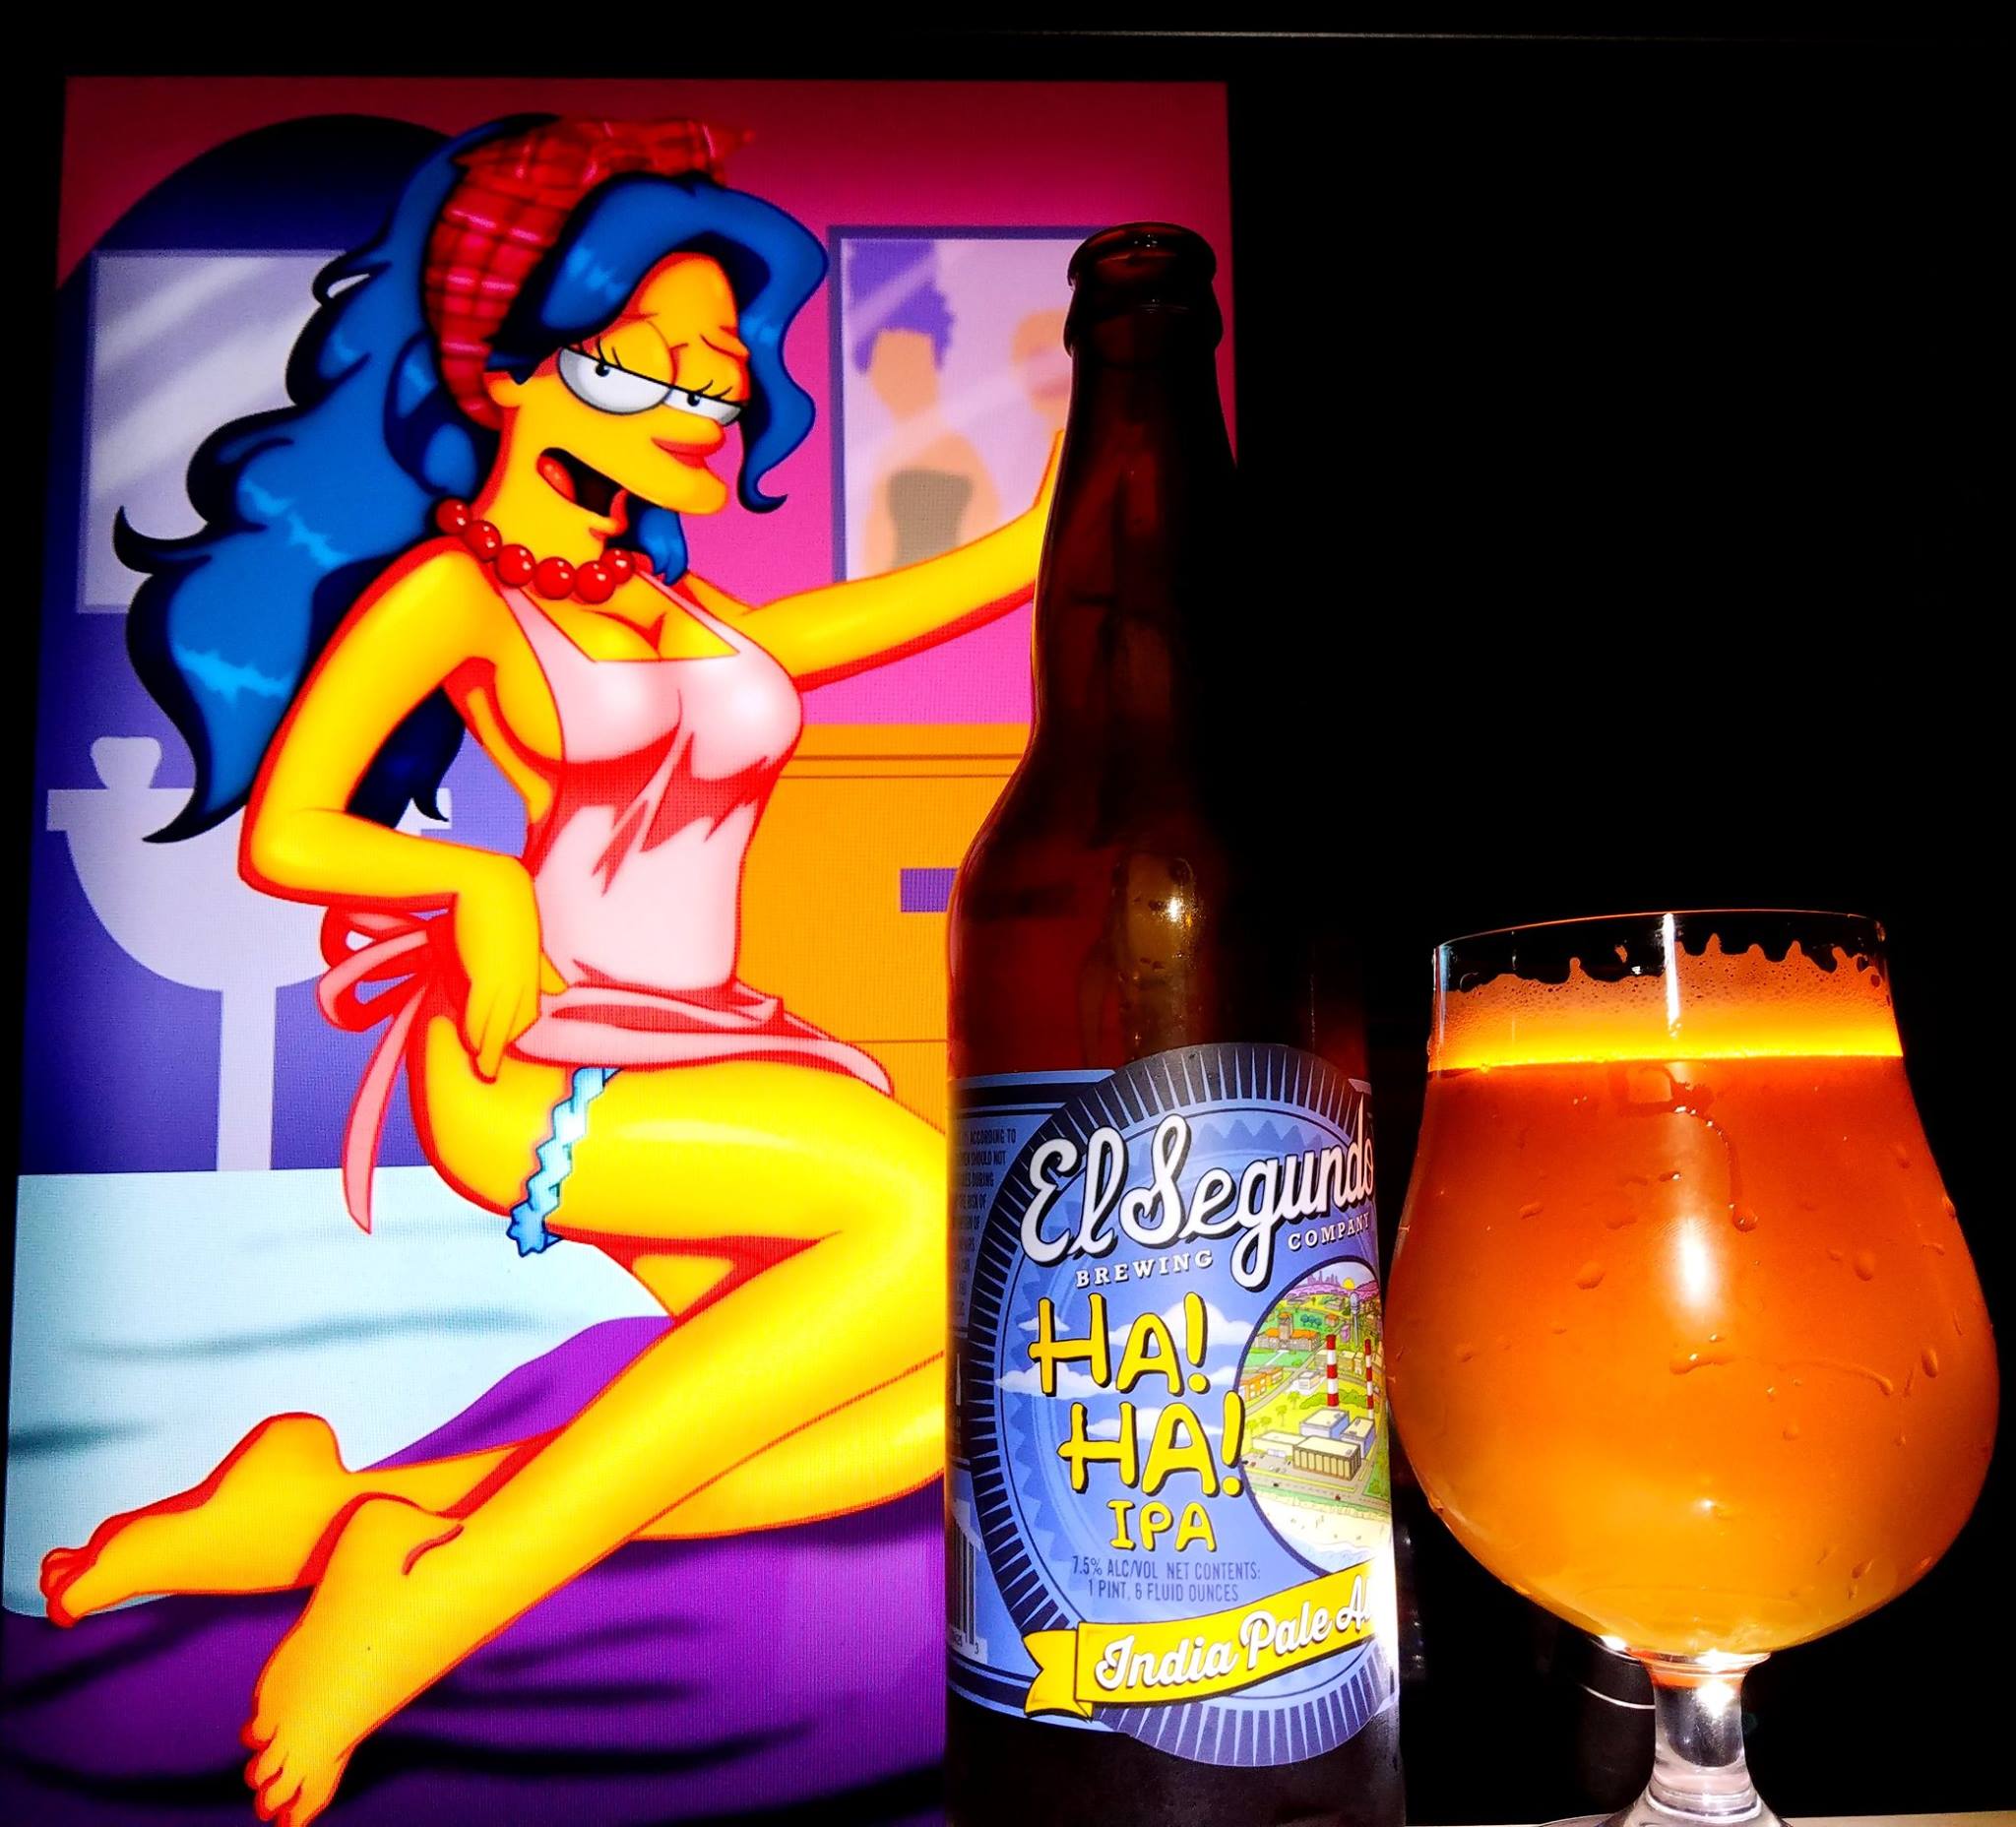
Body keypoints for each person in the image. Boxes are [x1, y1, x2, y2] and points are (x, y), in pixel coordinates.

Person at [37, 115, 1055, 1827]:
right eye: (645, 365)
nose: (701, 407)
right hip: (543, 1061)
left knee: (939, 1399)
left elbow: (988, 572)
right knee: (928, 1216)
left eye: (717, 376)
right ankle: (432, 1596)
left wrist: (1117, 438)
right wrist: (476, 886)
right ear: (509, 375)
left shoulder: (696, 620)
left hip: (718, 1049)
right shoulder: (452, 594)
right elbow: (290, 829)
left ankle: (313, 1516)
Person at [850, 238, 1003, 569]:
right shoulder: (888, 456)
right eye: (886, 367)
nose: (900, 379)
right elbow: (874, 553)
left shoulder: (957, 454)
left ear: (934, 361)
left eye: (911, 362)